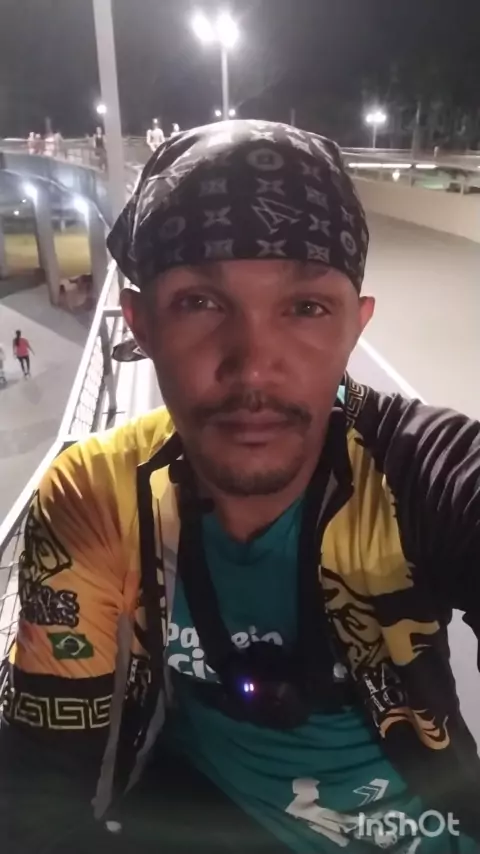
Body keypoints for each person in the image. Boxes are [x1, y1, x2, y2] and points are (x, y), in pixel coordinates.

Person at [1, 120, 479, 854]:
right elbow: (40, 790)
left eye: (306, 308)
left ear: (355, 326)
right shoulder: (95, 493)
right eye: (200, 303)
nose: (254, 366)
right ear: (141, 325)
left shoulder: (424, 472)